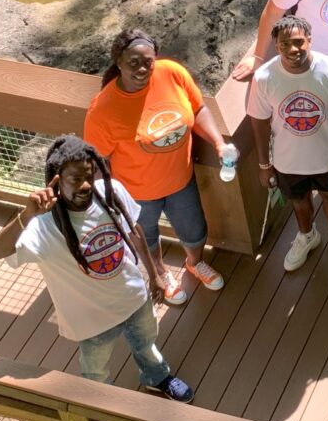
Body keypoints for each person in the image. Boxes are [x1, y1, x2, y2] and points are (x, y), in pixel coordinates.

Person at [0, 135, 194, 402]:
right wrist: (27, 215)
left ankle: (157, 377)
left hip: (133, 298)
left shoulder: (111, 192)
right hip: (92, 321)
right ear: (56, 180)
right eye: (75, 179)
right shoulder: (43, 225)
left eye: (89, 175)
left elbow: (135, 230)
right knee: (96, 372)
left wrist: (154, 275)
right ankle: (102, 405)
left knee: (146, 344)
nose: (85, 185)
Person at [84, 28, 231, 306]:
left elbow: (198, 109)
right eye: (133, 62)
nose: (142, 68)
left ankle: (195, 263)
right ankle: (161, 273)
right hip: (136, 193)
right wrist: (104, 201)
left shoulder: (172, 73)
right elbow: (96, 160)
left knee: (194, 230)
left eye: (148, 61)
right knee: (146, 237)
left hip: (181, 180)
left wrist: (218, 144)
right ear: (118, 62)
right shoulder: (103, 109)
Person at [247, 16, 328, 272]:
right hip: (288, 160)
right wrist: (264, 165)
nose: (292, 49)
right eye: (284, 43)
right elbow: (259, 121)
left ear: (310, 39)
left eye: (298, 41)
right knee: (298, 200)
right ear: (276, 45)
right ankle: (307, 235)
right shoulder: (264, 77)